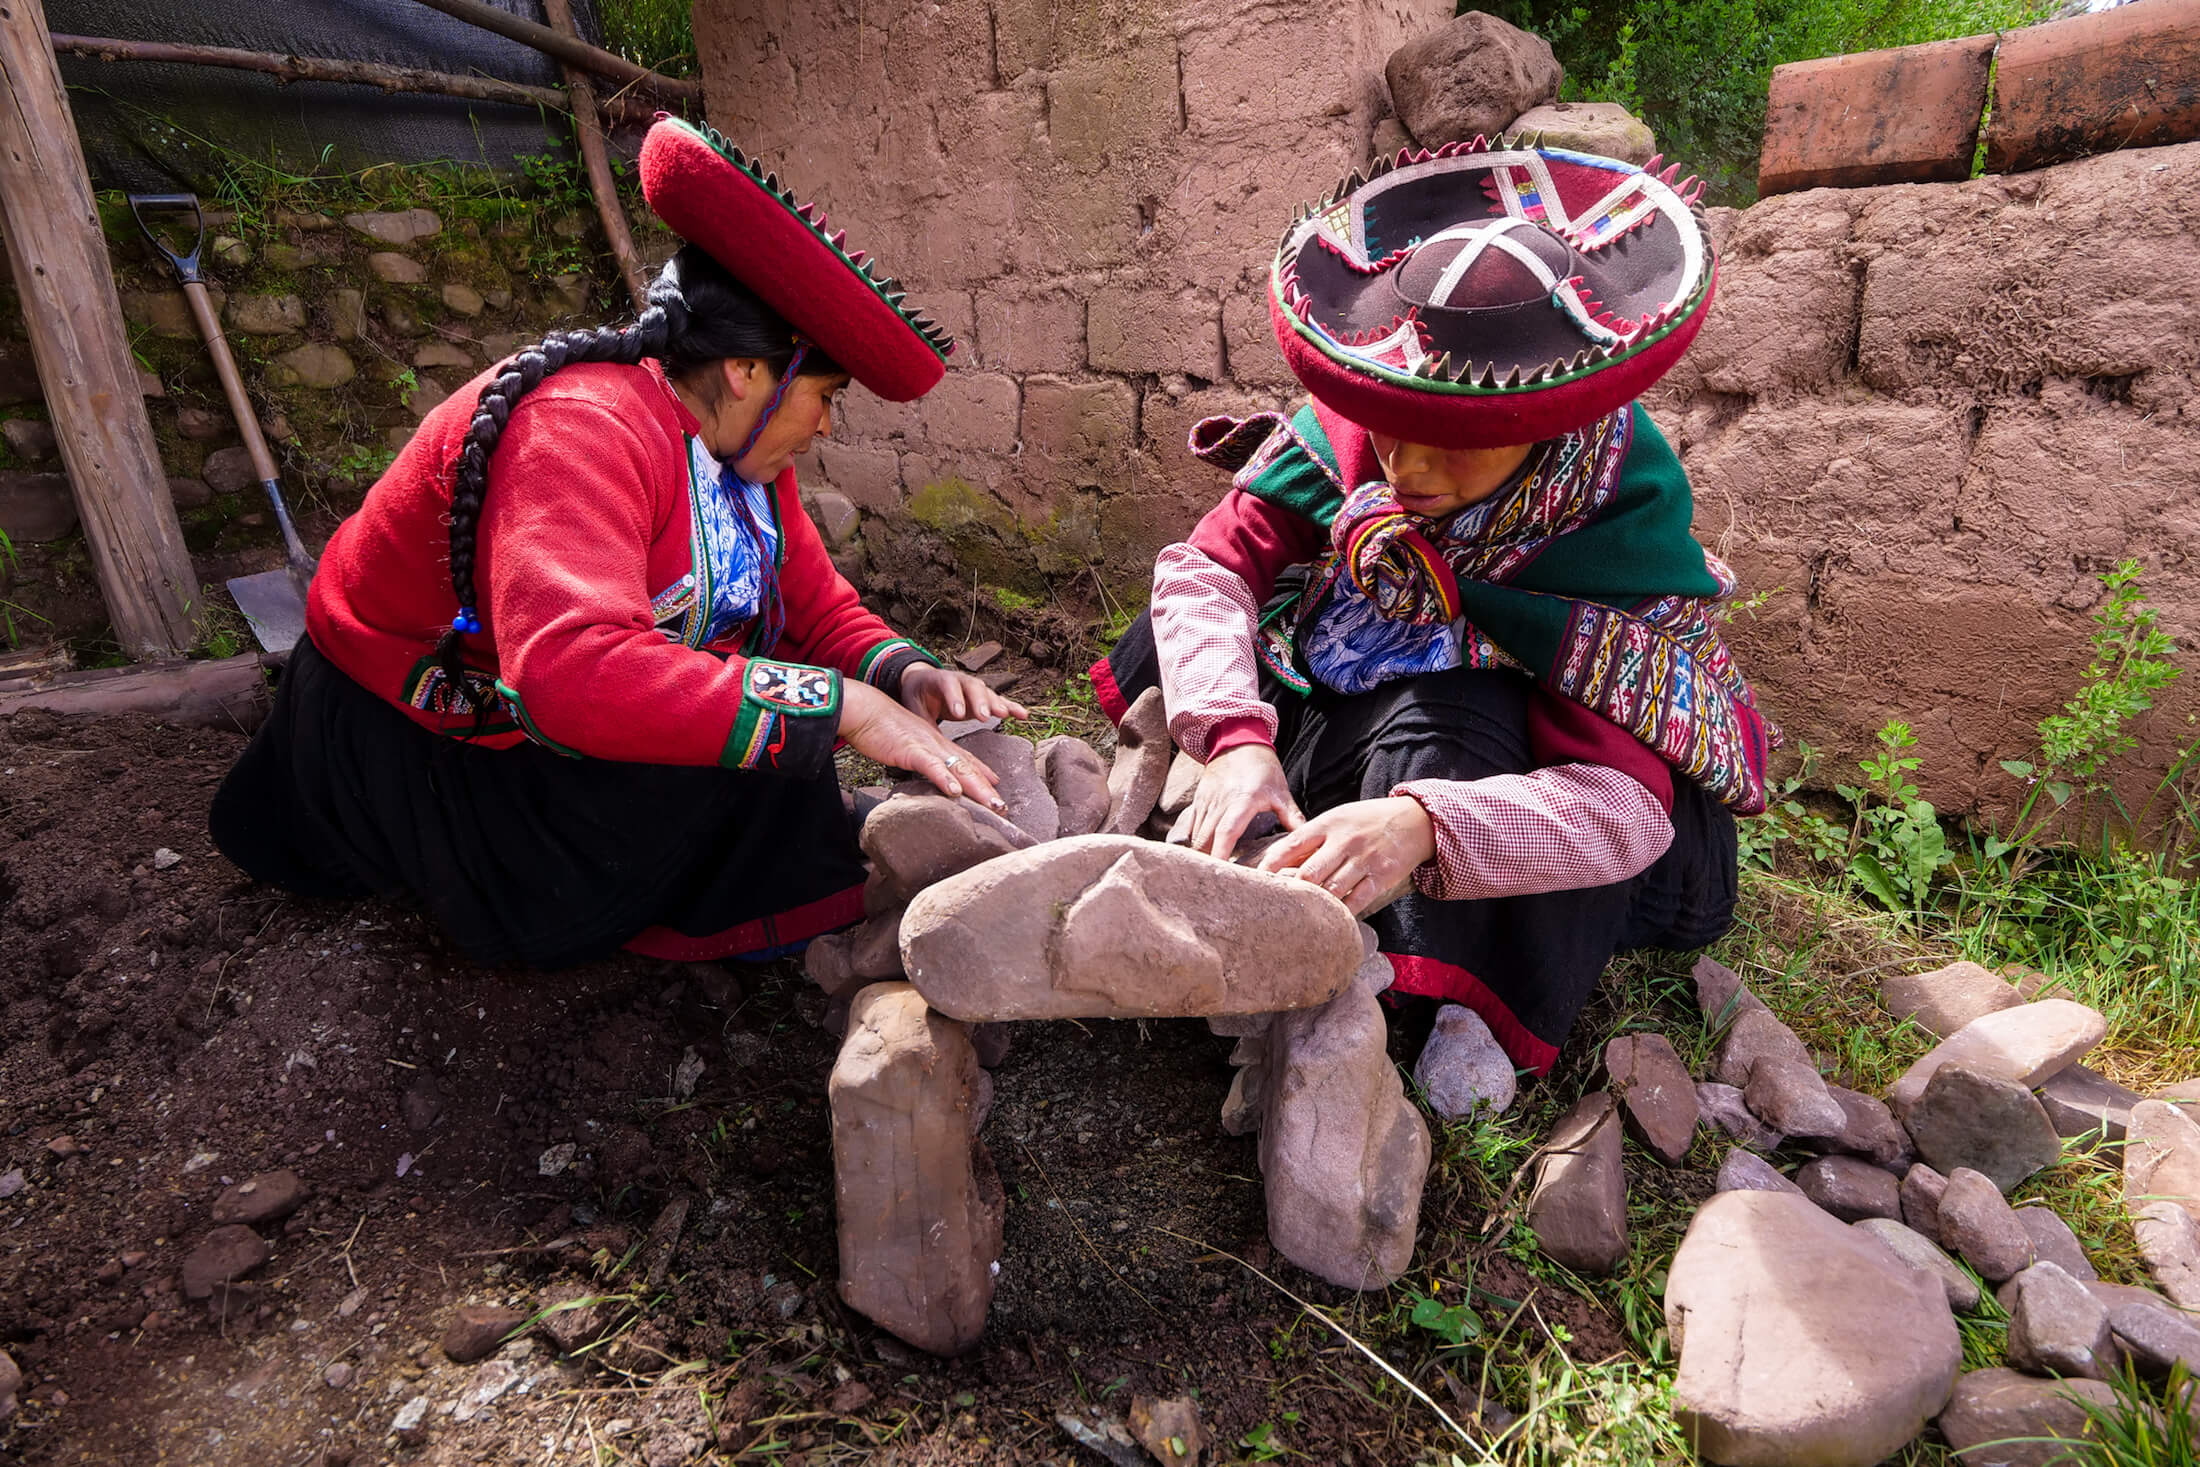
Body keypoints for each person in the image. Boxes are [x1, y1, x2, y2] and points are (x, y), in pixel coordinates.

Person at [211, 118, 1019, 968]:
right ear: (748, 371)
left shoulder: (740, 459)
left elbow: (817, 610)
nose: (822, 424)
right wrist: (843, 705)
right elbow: (569, 672)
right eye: (823, 395)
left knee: (774, 731)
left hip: (532, 712)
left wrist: (905, 675)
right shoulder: (581, 430)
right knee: (771, 734)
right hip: (423, 733)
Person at [1093, 140, 1774, 1103]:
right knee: (1177, 634)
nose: (1406, 468)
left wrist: (1423, 826)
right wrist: (1234, 737)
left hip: (1522, 759)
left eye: (1457, 449)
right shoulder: (1360, 419)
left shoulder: (1609, 526)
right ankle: (1252, 793)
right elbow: (1210, 564)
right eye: (1393, 429)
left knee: (1448, 736)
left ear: (1543, 430)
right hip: (1375, 660)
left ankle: (1434, 1000)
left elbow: (1622, 810)